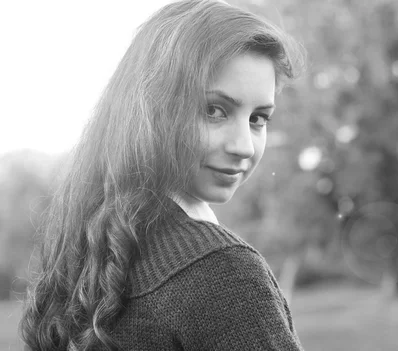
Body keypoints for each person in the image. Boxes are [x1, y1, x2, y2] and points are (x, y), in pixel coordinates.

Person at [18, 0, 305, 349]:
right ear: (153, 109)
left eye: (258, 118)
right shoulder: (221, 272)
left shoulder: (88, 248)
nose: (244, 146)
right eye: (215, 110)